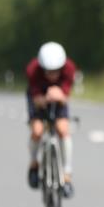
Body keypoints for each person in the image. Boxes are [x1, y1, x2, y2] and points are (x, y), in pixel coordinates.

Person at [26, 42, 76, 197]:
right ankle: (34, 163)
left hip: (59, 95)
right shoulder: (32, 70)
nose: (52, 75)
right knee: (37, 130)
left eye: (56, 71)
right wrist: (42, 100)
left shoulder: (69, 68)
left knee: (63, 130)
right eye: (48, 71)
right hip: (39, 95)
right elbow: (34, 96)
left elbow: (66, 94)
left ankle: (66, 175)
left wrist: (60, 96)